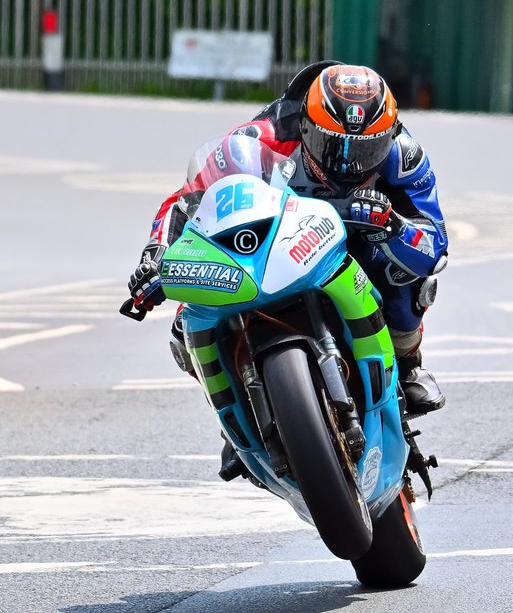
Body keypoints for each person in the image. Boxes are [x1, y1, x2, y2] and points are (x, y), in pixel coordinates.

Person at [127, 62, 449, 479]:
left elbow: (435, 243)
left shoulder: (405, 156)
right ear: (306, 125)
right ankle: (235, 415)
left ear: (388, 136)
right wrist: (156, 253)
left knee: (406, 274)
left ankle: (408, 366)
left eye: (367, 150)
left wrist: (393, 225)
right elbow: (185, 201)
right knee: (183, 327)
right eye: (334, 147)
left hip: (358, 243)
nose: (348, 165)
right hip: (274, 245)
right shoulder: (259, 139)